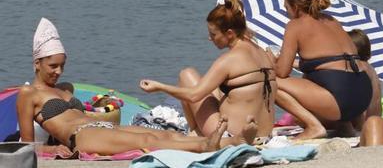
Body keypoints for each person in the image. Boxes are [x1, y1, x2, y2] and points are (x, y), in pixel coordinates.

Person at [17, 19, 235, 156]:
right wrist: (51, 149)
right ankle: (205, 146)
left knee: (165, 134)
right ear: (37, 63)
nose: (59, 71)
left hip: (103, 127)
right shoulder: (28, 94)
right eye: (53, 66)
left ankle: (227, 142)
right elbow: (26, 146)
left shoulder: (66, 88)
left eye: (62, 66)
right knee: (147, 141)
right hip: (82, 136)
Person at [141, 0, 312, 141]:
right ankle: (198, 131)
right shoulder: (261, 52)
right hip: (264, 135)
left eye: (213, 34)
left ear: (230, 33)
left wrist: (160, 87)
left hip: (230, 136)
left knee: (187, 75)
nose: (210, 38)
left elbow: (194, 96)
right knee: (215, 86)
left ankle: (196, 131)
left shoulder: (229, 60)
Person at [273, 0, 374, 135]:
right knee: (317, 75)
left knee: (269, 82)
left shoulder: (295, 25)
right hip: (362, 96)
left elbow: (282, 72)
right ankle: (345, 127)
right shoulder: (331, 20)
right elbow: (329, 62)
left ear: (295, 7)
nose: (286, 12)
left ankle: (313, 127)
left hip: (340, 98)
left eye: (286, 8)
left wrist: (271, 60)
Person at [347, 30, 382, 120]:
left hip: (364, 120)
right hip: (375, 118)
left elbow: (361, 100)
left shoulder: (359, 67)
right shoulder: (370, 68)